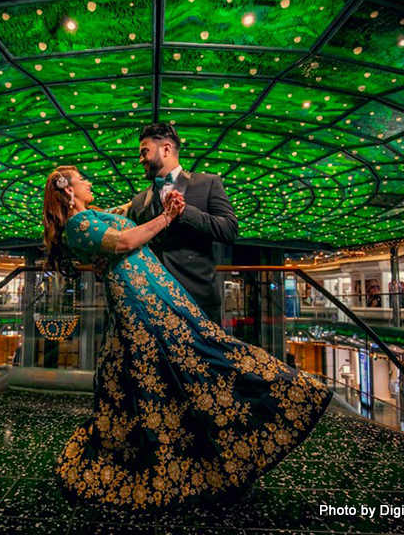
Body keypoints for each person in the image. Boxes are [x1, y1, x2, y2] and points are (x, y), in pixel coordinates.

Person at [42, 165, 332, 510]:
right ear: (68, 192)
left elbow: (128, 212)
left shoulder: (94, 215)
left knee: (158, 370)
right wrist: (166, 217)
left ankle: (182, 451)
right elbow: (126, 241)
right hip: (140, 300)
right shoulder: (78, 225)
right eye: (81, 179)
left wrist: (167, 199)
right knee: (184, 360)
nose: (89, 182)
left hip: (152, 294)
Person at [126, 123, 238, 323]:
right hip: (153, 303)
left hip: (198, 301)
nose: (141, 159)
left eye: (145, 152)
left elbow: (229, 230)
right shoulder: (138, 200)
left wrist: (185, 212)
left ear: (166, 149)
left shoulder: (208, 183)